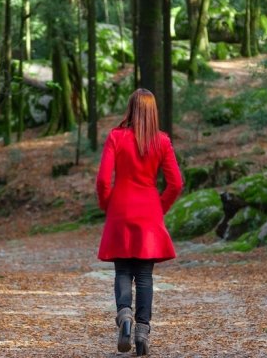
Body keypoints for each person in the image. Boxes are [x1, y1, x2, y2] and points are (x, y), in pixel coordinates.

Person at [96, 88, 183, 355]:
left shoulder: (116, 137)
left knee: (122, 270)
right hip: (149, 212)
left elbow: (102, 181)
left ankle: (124, 316)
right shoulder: (162, 141)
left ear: (131, 109)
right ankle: (142, 332)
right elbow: (176, 184)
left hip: (121, 210)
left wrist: (108, 205)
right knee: (144, 276)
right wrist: (160, 208)